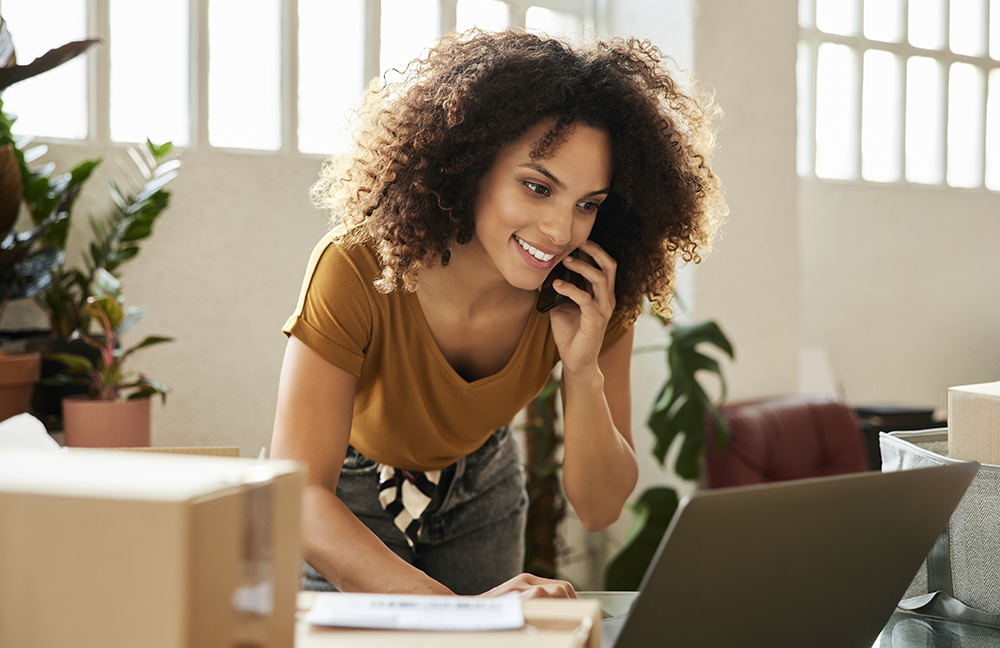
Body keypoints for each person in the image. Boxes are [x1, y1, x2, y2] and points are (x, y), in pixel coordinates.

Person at [270, 28, 725, 598]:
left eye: (588, 204)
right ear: (470, 164)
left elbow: (601, 507)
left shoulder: (592, 291)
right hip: (345, 497)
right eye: (537, 187)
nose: (561, 230)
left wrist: (583, 370)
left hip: (481, 483)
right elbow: (302, 492)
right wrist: (458, 613)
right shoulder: (359, 264)